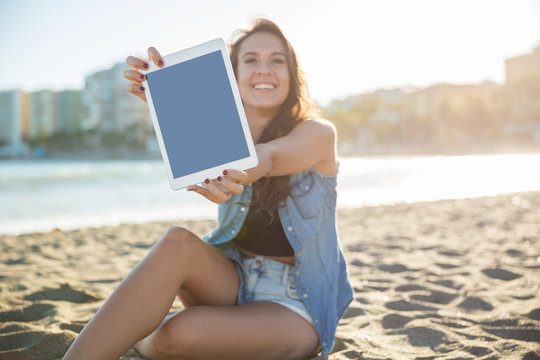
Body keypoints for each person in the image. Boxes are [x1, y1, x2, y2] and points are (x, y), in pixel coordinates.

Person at [63, 18, 353, 360]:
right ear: (232, 75)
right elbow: (193, 123)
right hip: (232, 277)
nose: (264, 69)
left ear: (292, 75)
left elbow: (270, 158)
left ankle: (133, 332)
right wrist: (162, 95)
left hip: (295, 301)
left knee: (175, 336)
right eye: (250, 60)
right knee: (177, 242)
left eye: (277, 60)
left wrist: (243, 170)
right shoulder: (219, 132)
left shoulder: (319, 133)